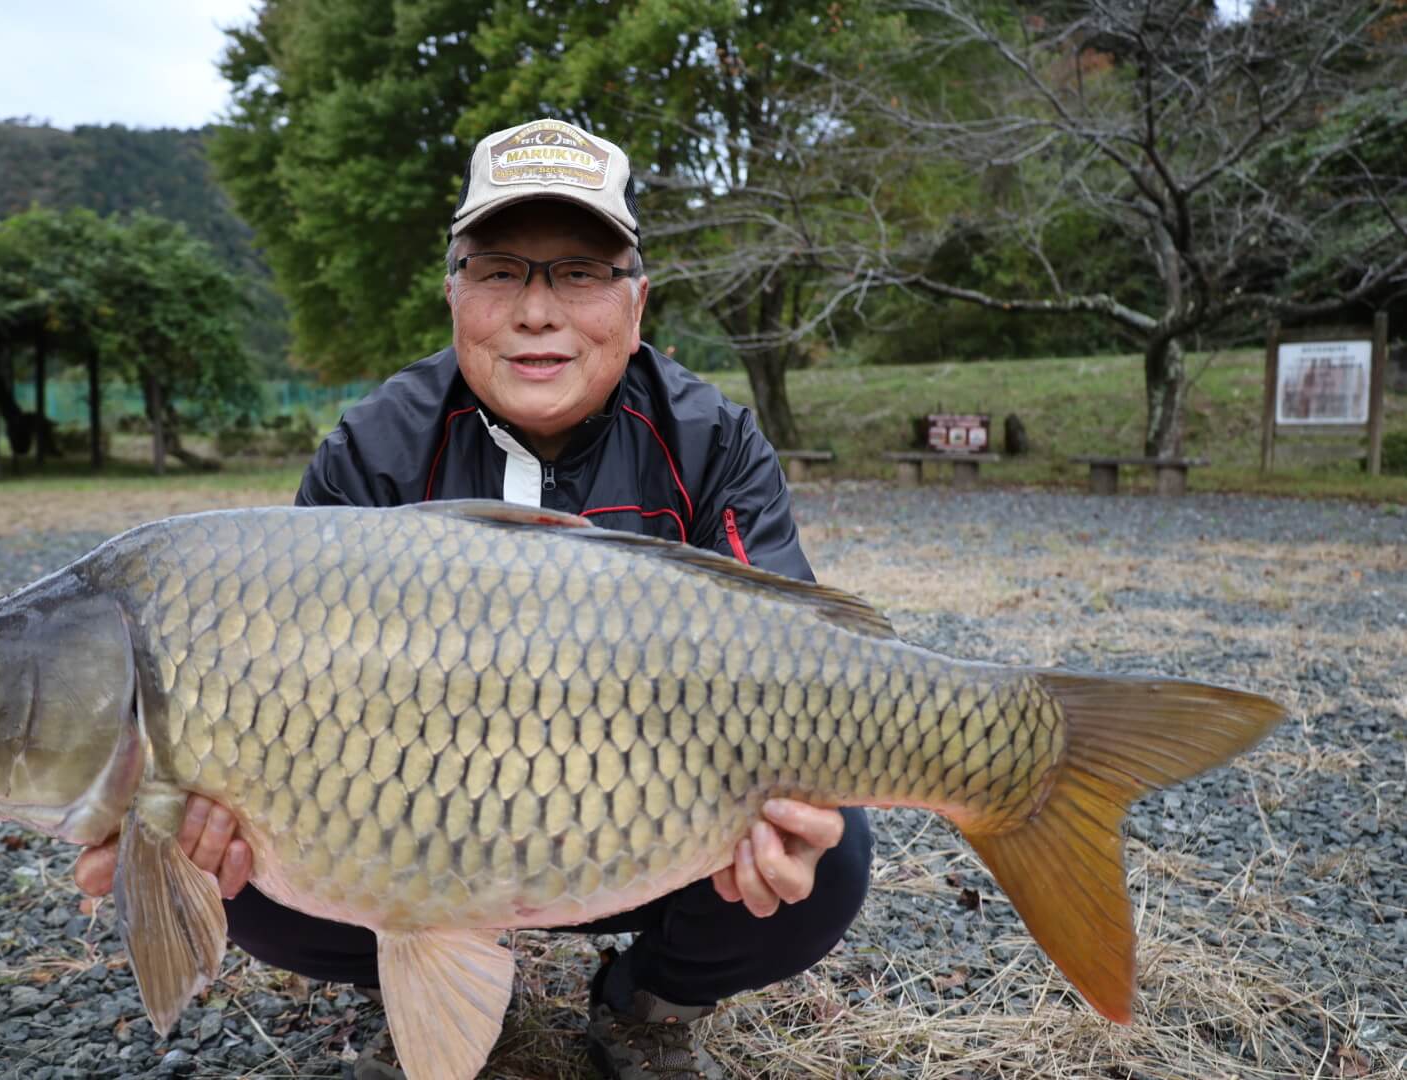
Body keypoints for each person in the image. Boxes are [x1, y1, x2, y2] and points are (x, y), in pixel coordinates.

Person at [74, 117, 874, 1080]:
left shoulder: (712, 440)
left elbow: (805, 655)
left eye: (580, 272)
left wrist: (789, 810)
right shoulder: (374, 450)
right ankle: (438, 998)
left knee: (828, 853)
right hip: (410, 831)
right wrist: (172, 819)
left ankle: (648, 1007)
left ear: (637, 299)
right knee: (229, 855)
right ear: (453, 293)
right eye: (500, 271)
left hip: (659, 839)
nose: (538, 311)